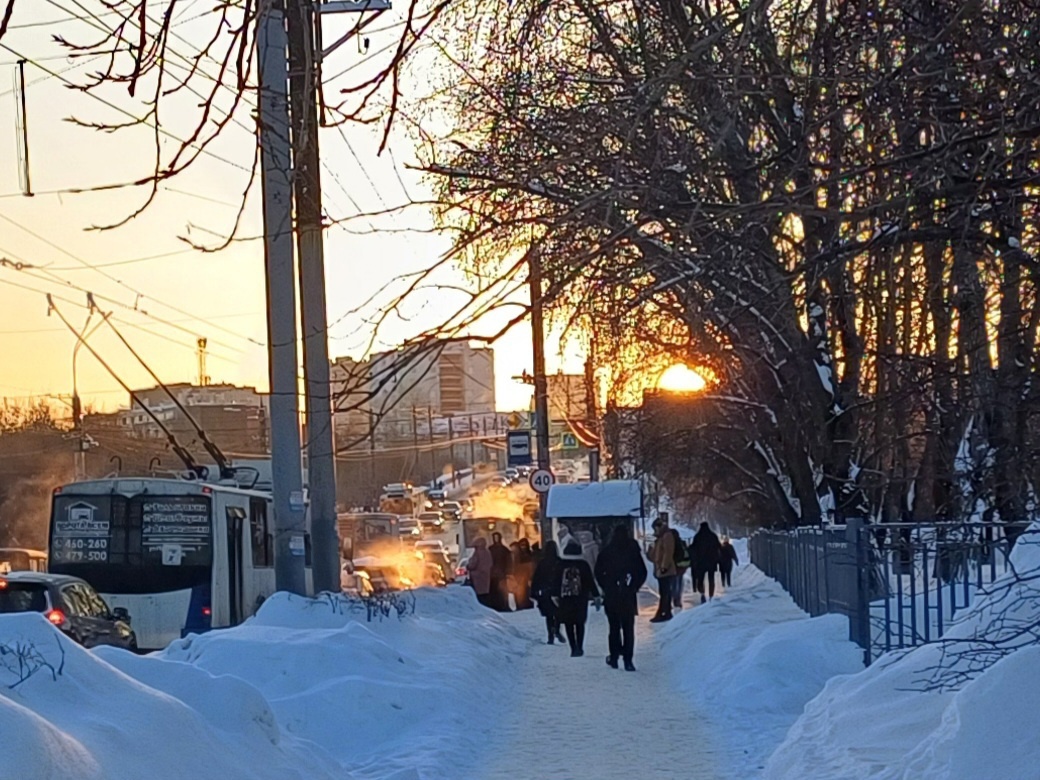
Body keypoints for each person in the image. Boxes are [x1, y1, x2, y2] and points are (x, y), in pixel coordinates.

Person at [595, 524, 647, 671]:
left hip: (612, 596)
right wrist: (634, 586)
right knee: (628, 629)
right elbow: (642, 572)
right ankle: (628, 660)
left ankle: (614, 657)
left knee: (614, 628)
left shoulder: (607, 552)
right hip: (628, 596)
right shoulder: (633, 552)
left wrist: (606, 586)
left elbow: (598, 572)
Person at [552, 540, 599, 657]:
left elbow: (555, 581)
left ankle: (573, 647)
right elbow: (590, 581)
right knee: (580, 624)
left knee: (569, 624)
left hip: (565, 599)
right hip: (581, 598)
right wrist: (596, 595)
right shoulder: (583, 565)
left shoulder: (561, 564)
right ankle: (580, 647)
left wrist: (554, 595)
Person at [530, 541, 565, 644]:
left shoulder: (542, 563)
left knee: (549, 615)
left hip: (545, 592)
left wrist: (533, 592)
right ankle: (557, 630)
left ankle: (550, 636)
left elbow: (536, 578)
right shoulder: (559, 562)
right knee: (558, 613)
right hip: (557, 591)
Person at [648, 517, 676, 622]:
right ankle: (666, 611)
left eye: (655, 528)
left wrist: (664, 566)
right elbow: (653, 556)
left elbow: (668, 552)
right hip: (660, 569)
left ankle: (663, 612)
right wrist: (650, 546)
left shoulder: (667, 536)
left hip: (666, 570)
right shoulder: (659, 538)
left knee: (665, 592)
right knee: (664, 592)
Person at [689, 522, 723, 603]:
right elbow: (719, 547)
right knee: (711, 579)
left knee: (700, 579)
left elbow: (693, 548)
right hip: (712, 561)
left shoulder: (698, 536)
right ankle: (711, 595)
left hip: (701, 562)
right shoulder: (713, 536)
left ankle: (702, 593)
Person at [488, 532, 514, 611]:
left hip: (501, 574)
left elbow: (509, 561)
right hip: (492, 575)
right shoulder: (490, 549)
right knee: (494, 592)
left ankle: (503, 605)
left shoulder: (504, 550)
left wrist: (508, 571)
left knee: (502, 591)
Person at [466, 537, 493, 608]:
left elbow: (472, 564)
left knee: (478, 597)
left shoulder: (477, 553)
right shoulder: (487, 552)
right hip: (486, 577)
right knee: (485, 595)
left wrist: (468, 566)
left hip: (477, 578)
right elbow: (491, 564)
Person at [513, 538, 535, 610]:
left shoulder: (530, 554)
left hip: (527, 577)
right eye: (521, 545)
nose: (523, 547)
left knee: (526, 592)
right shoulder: (517, 555)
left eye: (524, 545)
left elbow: (531, 566)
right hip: (519, 577)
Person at [672, 527, 690, 609]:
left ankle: (675, 599)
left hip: (675, 566)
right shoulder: (682, 542)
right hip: (682, 566)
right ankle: (678, 599)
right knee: (679, 582)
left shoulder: (673, 543)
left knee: (674, 583)